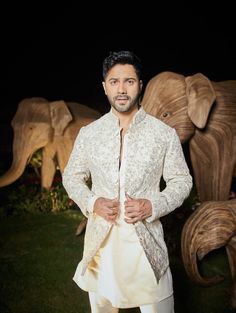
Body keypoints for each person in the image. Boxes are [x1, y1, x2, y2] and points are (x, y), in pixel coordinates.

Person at [62, 50, 193, 313]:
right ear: (104, 87)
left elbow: (182, 181)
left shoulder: (163, 134)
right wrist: (92, 201)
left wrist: (152, 205)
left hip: (146, 248)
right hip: (102, 249)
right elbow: (71, 176)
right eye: (114, 81)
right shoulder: (89, 134)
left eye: (129, 81)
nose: (122, 89)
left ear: (140, 85)